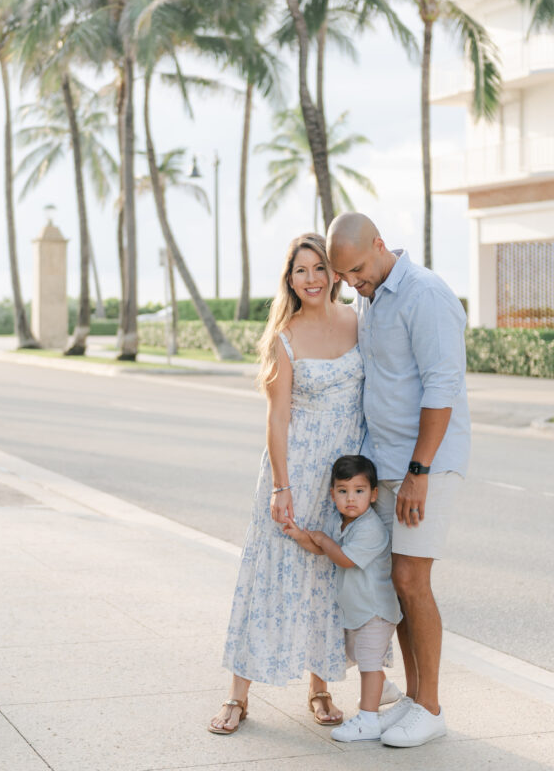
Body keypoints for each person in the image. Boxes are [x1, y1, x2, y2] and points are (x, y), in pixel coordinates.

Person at [208, 233, 365, 735]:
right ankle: (237, 697)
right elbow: (277, 419)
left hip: (342, 477)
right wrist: (282, 487)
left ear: (334, 272)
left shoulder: (359, 323)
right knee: (269, 579)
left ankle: (320, 689)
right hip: (295, 470)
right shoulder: (285, 335)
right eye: (301, 270)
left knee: (326, 582)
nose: (312, 278)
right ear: (290, 279)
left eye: (319, 267)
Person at [326, 213, 470, 749]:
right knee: (395, 584)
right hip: (386, 465)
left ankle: (430, 707)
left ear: (381, 245)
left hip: (424, 466)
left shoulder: (426, 294)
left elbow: (442, 386)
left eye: (358, 269)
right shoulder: (371, 294)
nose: (352, 282)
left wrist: (418, 472)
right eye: (344, 276)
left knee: (411, 579)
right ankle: (413, 699)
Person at [283, 454, 402, 743]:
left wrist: (324, 539)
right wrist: (301, 536)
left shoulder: (371, 529)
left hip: (375, 611)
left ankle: (367, 718)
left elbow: (344, 558)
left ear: (373, 495)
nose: (351, 499)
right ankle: (384, 691)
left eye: (359, 491)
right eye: (343, 491)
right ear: (333, 493)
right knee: (361, 658)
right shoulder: (344, 522)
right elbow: (325, 550)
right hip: (357, 611)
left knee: (369, 664)